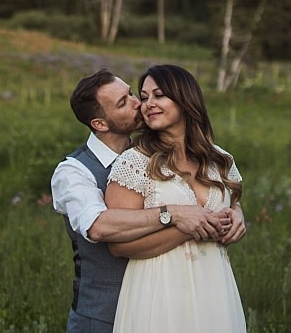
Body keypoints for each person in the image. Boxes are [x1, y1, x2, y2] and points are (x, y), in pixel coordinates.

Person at [51, 69, 232, 333]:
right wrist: (173, 214)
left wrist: (234, 211)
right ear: (100, 124)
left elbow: (207, 191)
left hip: (169, 305)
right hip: (103, 316)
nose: (141, 104)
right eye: (124, 103)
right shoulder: (74, 172)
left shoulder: (152, 154)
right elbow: (98, 225)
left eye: (132, 94)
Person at [104, 64, 248, 333]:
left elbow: (229, 200)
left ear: (185, 99)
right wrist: (185, 229)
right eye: (144, 97)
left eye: (159, 95)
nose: (148, 104)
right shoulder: (134, 162)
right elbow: (118, 246)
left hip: (215, 287)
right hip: (158, 291)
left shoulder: (220, 159)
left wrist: (238, 216)